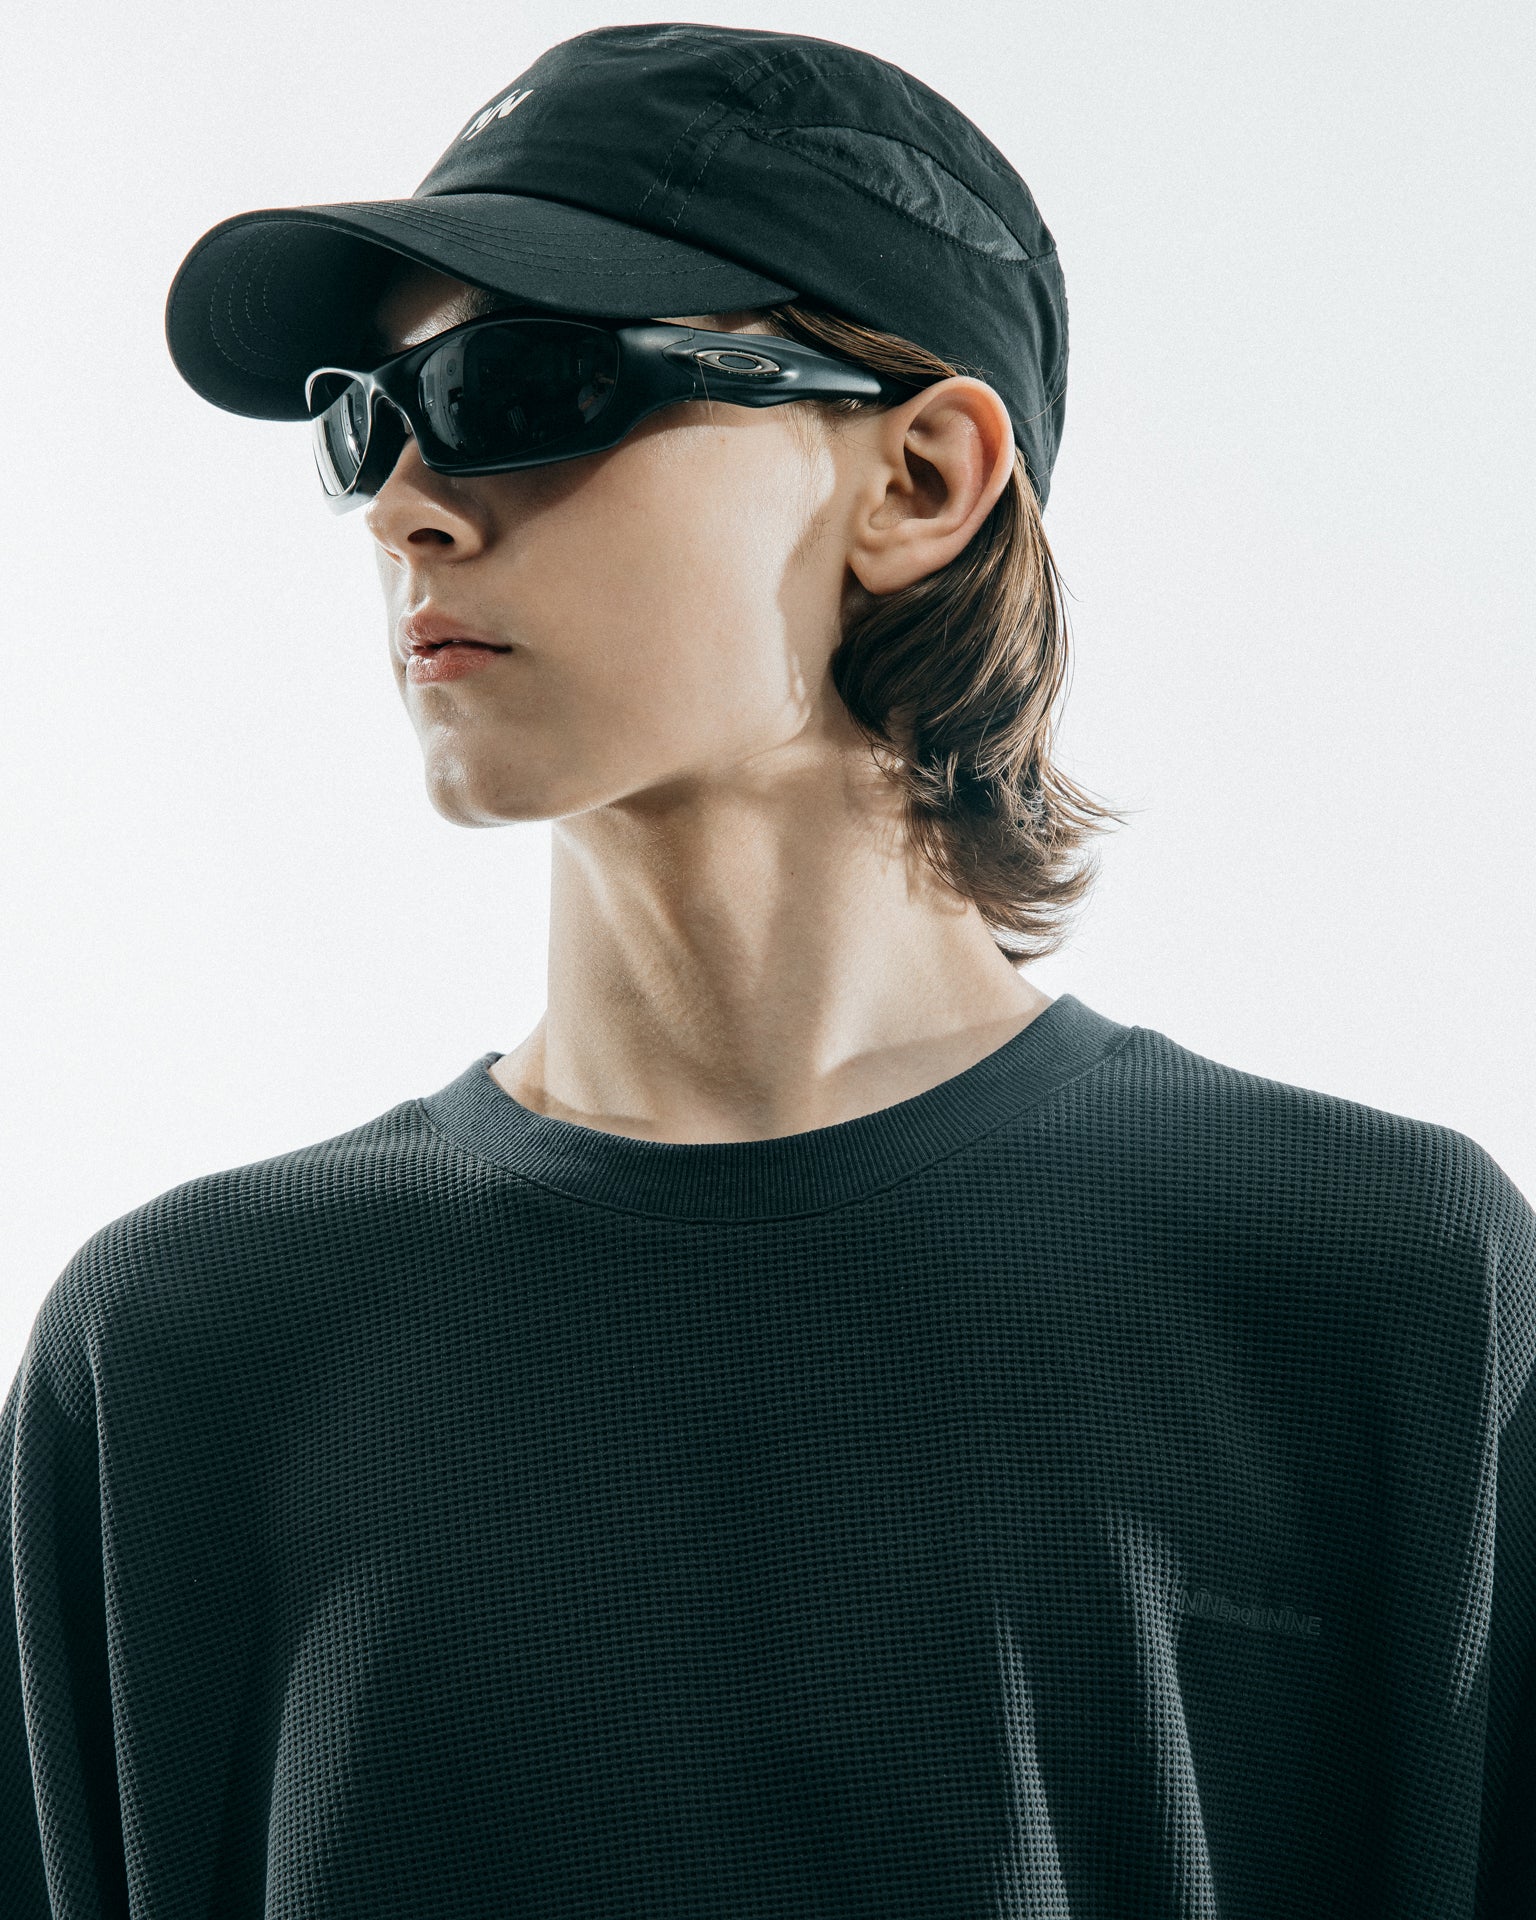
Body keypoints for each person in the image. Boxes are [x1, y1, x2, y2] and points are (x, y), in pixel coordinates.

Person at [3, 23, 1532, 1920]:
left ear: (921, 479)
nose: (406, 502)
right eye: (364, 421)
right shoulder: (183, 1358)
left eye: (522, 385)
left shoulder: (1378, 1287)